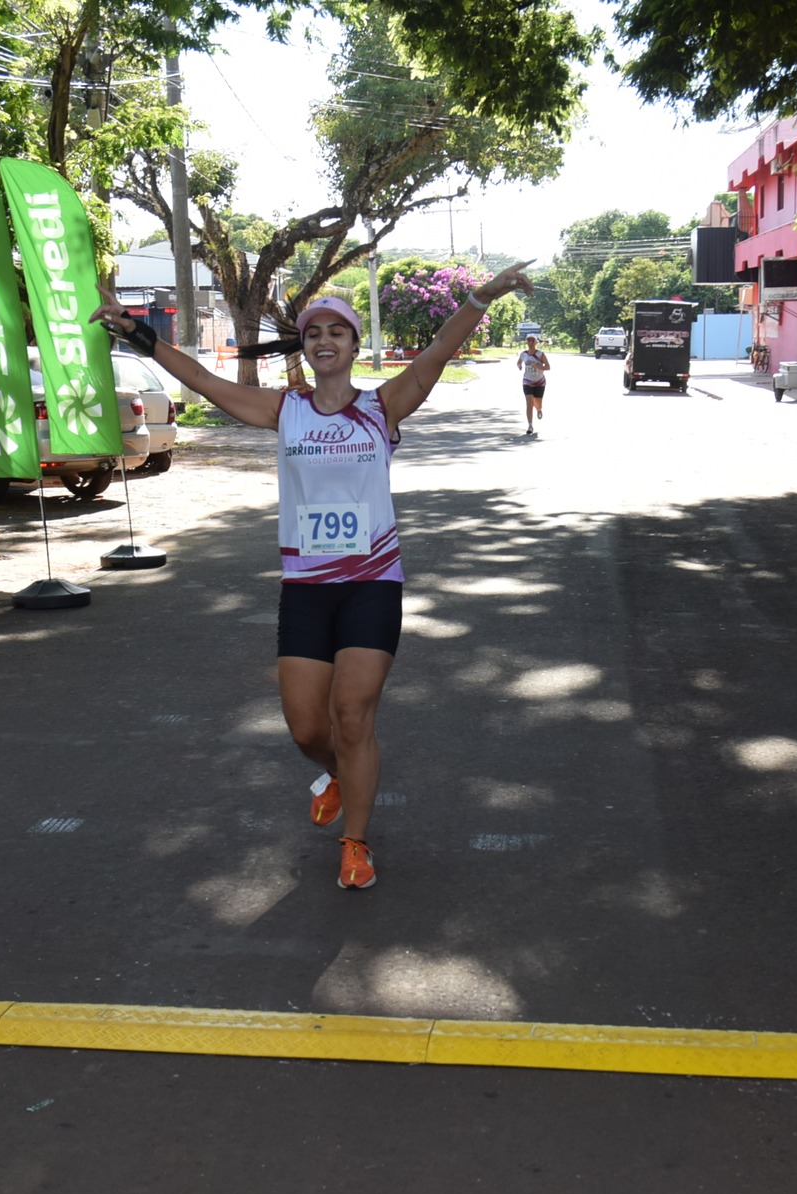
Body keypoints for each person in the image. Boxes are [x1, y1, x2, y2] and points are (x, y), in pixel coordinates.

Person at [91, 262, 536, 891]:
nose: (325, 340)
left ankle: (355, 843)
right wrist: (135, 332)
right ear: (304, 346)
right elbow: (200, 377)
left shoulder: (383, 407)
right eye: (313, 332)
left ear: (355, 345)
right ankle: (335, 774)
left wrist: (479, 298)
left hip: (373, 584)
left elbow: (437, 353)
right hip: (305, 589)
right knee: (307, 728)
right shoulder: (285, 411)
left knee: (353, 715)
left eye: (338, 331)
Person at [517, 333, 551, 436]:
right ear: (526, 342)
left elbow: (548, 367)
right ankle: (530, 425)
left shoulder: (540, 354)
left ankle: (539, 409)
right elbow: (519, 362)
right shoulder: (523, 354)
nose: (530, 342)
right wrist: (519, 366)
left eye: (532, 341)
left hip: (539, 381)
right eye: (529, 340)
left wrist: (538, 366)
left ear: (536, 342)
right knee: (529, 402)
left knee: (537, 403)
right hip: (527, 381)